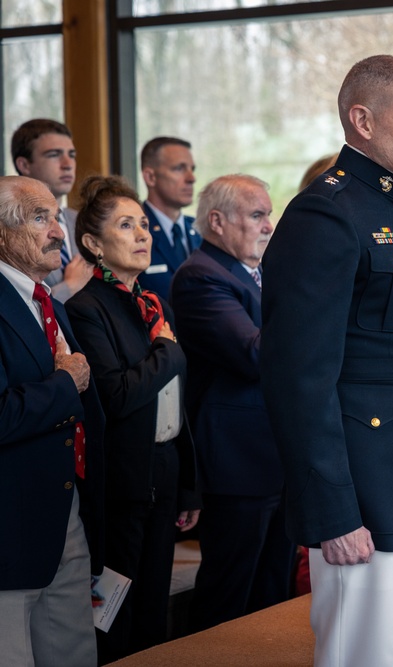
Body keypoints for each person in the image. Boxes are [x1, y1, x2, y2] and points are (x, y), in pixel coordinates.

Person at [259, 55, 393, 667]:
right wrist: (333, 509)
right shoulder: (327, 213)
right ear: (362, 119)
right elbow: (299, 379)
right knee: (361, 656)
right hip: (360, 495)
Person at [66, 175, 201, 663]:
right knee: (116, 609)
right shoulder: (86, 308)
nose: (143, 234)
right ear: (93, 244)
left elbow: (173, 403)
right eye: (127, 226)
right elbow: (119, 396)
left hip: (164, 467)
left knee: (153, 605)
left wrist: (188, 483)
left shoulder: (151, 302)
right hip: (122, 477)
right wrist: (169, 351)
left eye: (144, 224)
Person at [171, 174, 294, 630]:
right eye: (258, 215)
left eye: (269, 214)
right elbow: (255, 354)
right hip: (238, 461)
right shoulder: (201, 275)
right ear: (218, 221)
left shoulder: (256, 272)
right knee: (228, 596)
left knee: (273, 594)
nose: (269, 225)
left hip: (275, 455)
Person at [0, 175, 105, 667]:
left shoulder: (45, 300)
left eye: (55, 217)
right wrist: (65, 385)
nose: (59, 232)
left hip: (65, 507)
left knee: (73, 650)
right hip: (9, 524)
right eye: (40, 218)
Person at [11, 119, 92, 301]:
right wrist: (69, 288)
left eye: (71, 155)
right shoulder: (9, 227)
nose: (67, 164)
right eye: (54, 154)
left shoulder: (82, 221)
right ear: (24, 165)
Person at [138, 136, 201, 296]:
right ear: (150, 177)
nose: (191, 178)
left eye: (191, 169)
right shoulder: (134, 232)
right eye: (179, 169)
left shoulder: (201, 230)